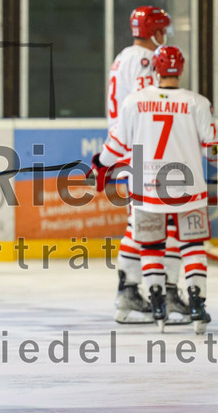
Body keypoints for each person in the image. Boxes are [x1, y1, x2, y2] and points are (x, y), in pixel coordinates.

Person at [92, 45, 216, 334]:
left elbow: (116, 145)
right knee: (192, 246)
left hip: (147, 190)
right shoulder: (198, 102)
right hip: (188, 190)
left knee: (151, 246)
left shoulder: (135, 101)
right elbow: (213, 151)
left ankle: (157, 304)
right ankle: (197, 305)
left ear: (156, 70)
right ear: (181, 69)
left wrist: (99, 164)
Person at [103, 6, 190, 325]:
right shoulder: (144, 61)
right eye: (163, 30)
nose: (165, 36)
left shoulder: (123, 57)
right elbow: (148, 107)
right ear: (154, 32)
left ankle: (129, 290)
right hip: (144, 154)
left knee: (140, 224)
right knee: (164, 224)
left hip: (130, 151)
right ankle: (166, 292)